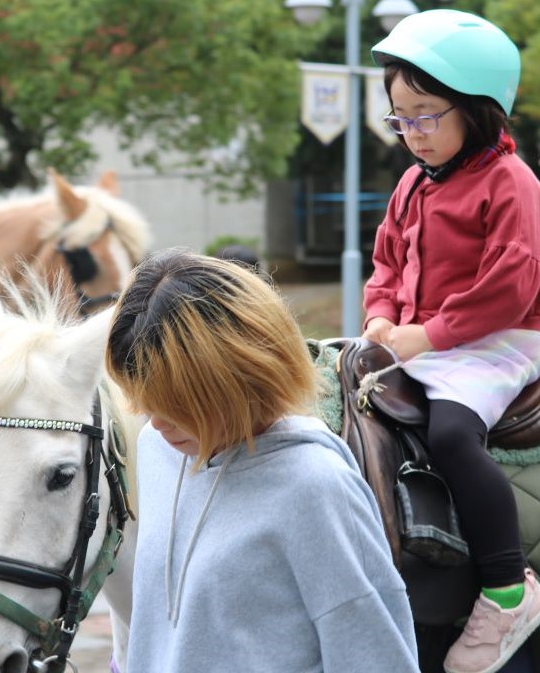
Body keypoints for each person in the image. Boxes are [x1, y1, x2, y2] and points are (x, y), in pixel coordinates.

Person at [105, 248, 420, 673]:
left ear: (234, 379)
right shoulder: (156, 449)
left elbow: (378, 659)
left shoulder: (316, 486)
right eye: (143, 400)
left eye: (174, 403)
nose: (155, 421)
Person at [363, 9, 540, 673]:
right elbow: (387, 265)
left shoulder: (515, 187)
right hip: (425, 342)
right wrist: (380, 317)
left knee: (449, 433)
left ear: (476, 109)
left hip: (492, 344)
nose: (411, 134)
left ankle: (508, 587)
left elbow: (511, 287)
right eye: (400, 118)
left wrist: (430, 332)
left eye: (425, 115)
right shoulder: (412, 184)